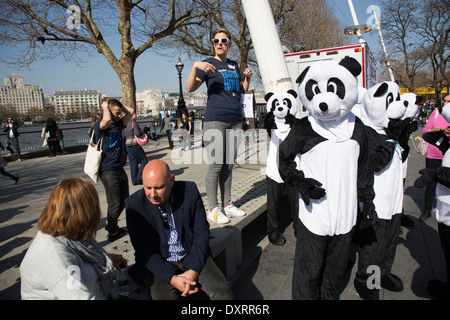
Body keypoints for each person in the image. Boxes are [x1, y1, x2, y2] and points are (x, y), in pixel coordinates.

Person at [125, 160, 232, 300]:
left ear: (171, 180)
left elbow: (201, 232)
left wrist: (193, 270)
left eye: (159, 187)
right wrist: (172, 279)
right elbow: (144, 250)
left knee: (221, 291)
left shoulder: (190, 191)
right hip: (160, 260)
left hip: (189, 252)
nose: (153, 194)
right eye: (148, 187)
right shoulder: (134, 206)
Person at [20, 177, 127, 300]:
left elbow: (81, 255)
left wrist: (105, 257)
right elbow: (79, 296)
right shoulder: (54, 255)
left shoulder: (70, 233)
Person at [186, 27, 252, 224]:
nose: (220, 44)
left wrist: (247, 78)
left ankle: (227, 204)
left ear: (229, 43)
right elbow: (190, 87)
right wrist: (194, 67)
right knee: (216, 165)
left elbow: (242, 89)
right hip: (215, 120)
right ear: (213, 44)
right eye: (216, 41)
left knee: (228, 166)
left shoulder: (233, 65)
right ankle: (213, 208)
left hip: (235, 120)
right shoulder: (208, 64)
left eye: (224, 40)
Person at [93, 98, 133, 242]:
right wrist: (105, 107)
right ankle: (112, 231)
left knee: (124, 201)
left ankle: (112, 225)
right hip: (108, 170)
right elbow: (107, 119)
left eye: (119, 113)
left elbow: (132, 112)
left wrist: (121, 106)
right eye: (116, 113)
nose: (118, 116)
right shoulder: (100, 126)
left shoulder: (119, 124)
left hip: (119, 168)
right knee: (114, 202)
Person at [421, 93, 450, 221]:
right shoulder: (436, 113)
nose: (446, 103)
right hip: (433, 153)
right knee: (431, 182)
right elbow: (425, 130)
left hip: (447, 155)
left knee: (445, 183)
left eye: (449, 101)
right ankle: (427, 210)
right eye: (444, 100)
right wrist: (434, 131)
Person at [125, 113, 148, 185]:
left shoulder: (125, 124)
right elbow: (137, 133)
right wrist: (142, 132)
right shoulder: (133, 122)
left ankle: (134, 180)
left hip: (128, 145)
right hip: (135, 144)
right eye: (135, 114)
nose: (136, 115)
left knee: (133, 163)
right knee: (144, 159)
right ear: (132, 115)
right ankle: (140, 176)